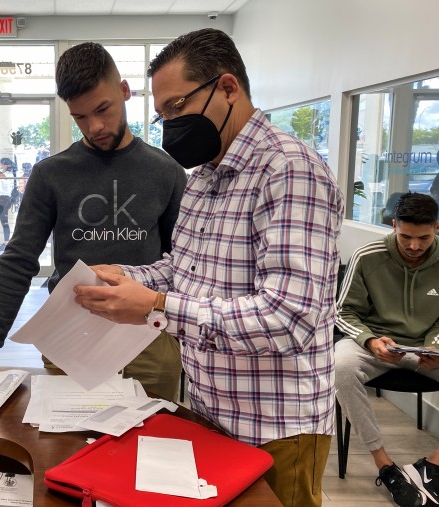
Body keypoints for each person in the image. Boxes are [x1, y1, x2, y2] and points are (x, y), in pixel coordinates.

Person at [72, 29, 344, 507]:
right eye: (162, 115)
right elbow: (185, 269)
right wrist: (125, 277)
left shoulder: (289, 169)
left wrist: (156, 307)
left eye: (177, 107)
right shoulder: (203, 179)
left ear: (227, 88)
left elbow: (289, 318)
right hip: (210, 412)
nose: (170, 124)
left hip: (276, 426)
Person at [0, 42, 187, 403]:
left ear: (125, 91)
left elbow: (185, 262)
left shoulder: (166, 171)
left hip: (148, 337)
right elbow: (18, 261)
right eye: (80, 117)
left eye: (103, 109)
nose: (95, 126)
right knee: (70, 449)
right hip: (72, 336)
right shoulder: (51, 174)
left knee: (152, 446)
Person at [335, 192, 439, 506]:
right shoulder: (367, 256)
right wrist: (369, 340)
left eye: (424, 237)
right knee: (339, 366)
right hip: (375, 345)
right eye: (405, 236)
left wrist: (435, 345)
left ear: (437, 227)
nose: (414, 246)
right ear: (393, 225)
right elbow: (342, 312)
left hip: (427, 349)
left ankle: (432, 466)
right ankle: (386, 466)